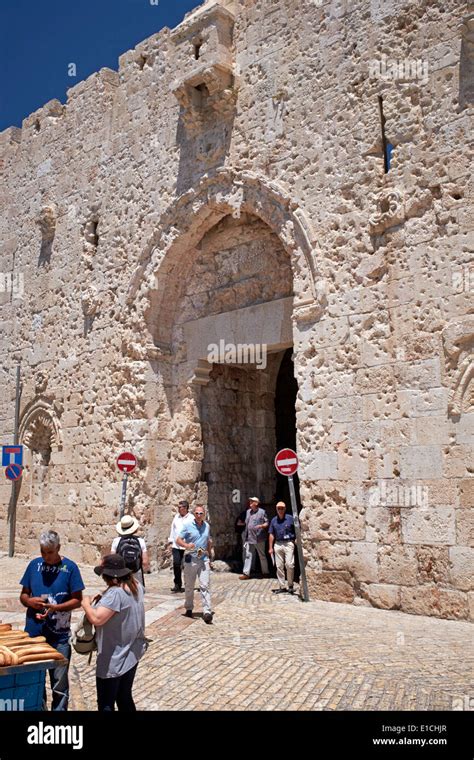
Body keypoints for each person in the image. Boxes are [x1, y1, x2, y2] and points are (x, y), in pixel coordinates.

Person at [19, 530, 85, 711]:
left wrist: (56, 608)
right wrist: (29, 601)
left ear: (58, 548)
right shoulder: (34, 565)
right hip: (34, 635)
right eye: (43, 552)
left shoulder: (69, 568)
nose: (46, 556)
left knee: (59, 683)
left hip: (59, 637)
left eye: (50, 552)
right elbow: (23, 595)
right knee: (37, 681)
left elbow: (78, 599)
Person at [81, 554, 146, 712]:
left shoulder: (115, 594)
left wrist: (86, 604)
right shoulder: (136, 586)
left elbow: (97, 618)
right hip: (132, 653)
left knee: (106, 703)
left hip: (114, 658)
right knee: (124, 697)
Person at [176, 505, 213, 624]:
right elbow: (178, 540)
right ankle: (189, 607)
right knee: (189, 586)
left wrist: (209, 554)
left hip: (203, 559)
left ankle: (207, 611)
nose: (199, 515)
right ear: (194, 514)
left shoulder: (207, 526)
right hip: (191, 559)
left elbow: (208, 541)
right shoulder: (188, 526)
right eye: (197, 513)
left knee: (205, 586)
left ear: (204, 514)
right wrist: (186, 546)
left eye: (201, 513)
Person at [111, 515, 149, 587]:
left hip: (122, 573)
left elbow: (112, 559)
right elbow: (145, 562)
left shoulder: (116, 541)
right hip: (136, 572)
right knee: (137, 593)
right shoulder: (140, 541)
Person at [268, 501, 296, 594]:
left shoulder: (290, 518)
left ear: (285, 509)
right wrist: (270, 547)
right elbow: (271, 534)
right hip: (278, 544)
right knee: (279, 566)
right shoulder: (274, 520)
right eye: (278, 508)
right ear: (276, 509)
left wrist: (296, 540)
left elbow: (297, 529)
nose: (280, 510)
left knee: (289, 564)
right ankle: (282, 586)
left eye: (282, 508)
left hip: (288, 543)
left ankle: (291, 585)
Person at [239, 497, 269, 580]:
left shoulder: (262, 512)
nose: (250, 502)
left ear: (256, 503)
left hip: (259, 538)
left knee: (262, 555)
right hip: (249, 537)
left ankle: (265, 572)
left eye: (252, 501)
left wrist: (262, 526)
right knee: (248, 555)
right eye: (250, 501)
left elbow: (267, 522)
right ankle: (246, 573)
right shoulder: (248, 512)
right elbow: (247, 523)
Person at [168, 500, 194, 593]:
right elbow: (173, 529)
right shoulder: (176, 517)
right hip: (176, 545)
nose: (179, 509)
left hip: (187, 545)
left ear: (186, 508)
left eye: (180, 507)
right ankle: (177, 584)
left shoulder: (191, 518)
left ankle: (189, 584)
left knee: (187, 566)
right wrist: (170, 541)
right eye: (178, 507)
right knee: (176, 564)